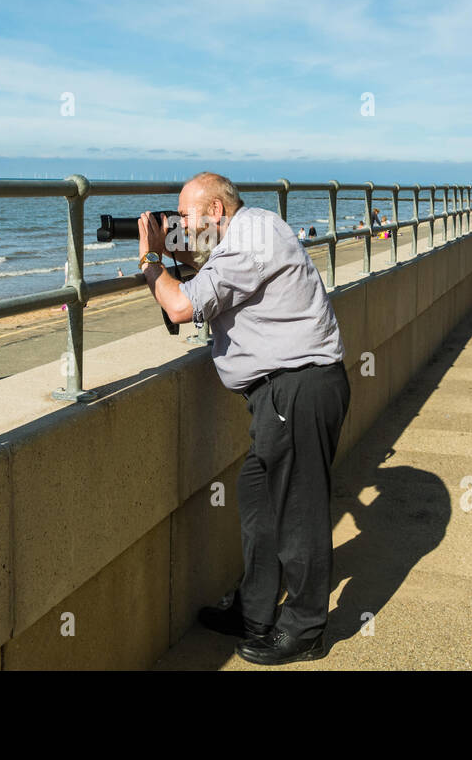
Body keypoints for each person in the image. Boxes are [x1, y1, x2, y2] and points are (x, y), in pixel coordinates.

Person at [137, 172, 348, 666]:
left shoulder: (253, 234)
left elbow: (184, 304)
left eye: (185, 216)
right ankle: (254, 610)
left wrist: (150, 257)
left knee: (299, 514)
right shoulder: (251, 232)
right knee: (259, 502)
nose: (180, 226)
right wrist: (177, 255)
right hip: (285, 394)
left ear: (214, 212)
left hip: (296, 389)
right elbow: (214, 271)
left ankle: (306, 628)